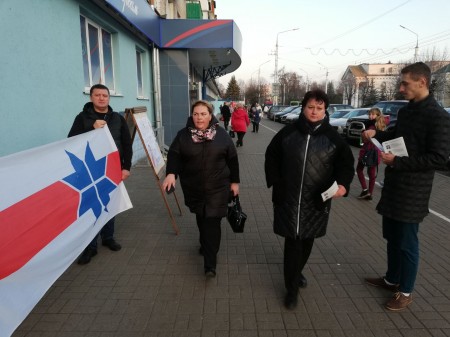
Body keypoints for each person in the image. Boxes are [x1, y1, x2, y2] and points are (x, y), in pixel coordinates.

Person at [363, 62, 450, 311]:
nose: (401, 88)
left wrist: (399, 161)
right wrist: (375, 136)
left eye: (405, 83)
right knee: (391, 236)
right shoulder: (409, 111)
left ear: (422, 82)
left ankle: (406, 291)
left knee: (407, 243)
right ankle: (391, 279)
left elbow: (439, 158)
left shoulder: (439, 117)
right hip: (394, 184)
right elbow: (395, 136)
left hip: (414, 190)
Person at [265, 89, 355, 310]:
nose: (314, 112)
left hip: (316, 199)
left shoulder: (333, 138)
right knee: (293, 241)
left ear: (325, 111)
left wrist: (343, 185)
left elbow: (346, 165)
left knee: (307, 240)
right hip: (289, 197)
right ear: (303, 108)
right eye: (310, 107)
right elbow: (271, 156)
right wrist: (277, 182)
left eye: (319, 108)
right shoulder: (287, 133)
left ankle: (296, 273)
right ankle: (291, 289)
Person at [162, 100, 240, 277]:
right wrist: (171, 173)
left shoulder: (221, 135)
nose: (199, 118)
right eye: (196, 114)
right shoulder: (183, 136)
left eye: (203, 114)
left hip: (218, 188)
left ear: (210, 115)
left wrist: (235, 182)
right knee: (201, 216)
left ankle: (210, 264)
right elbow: (174, 155)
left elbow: (233, 159)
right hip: (194, 187)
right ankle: (204, 242)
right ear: (192, 115)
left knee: (212, 222)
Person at [68, 84, 133, 265]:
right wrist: (91, 127)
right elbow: (72, 141)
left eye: (105, 95)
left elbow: (127, 144)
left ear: (109, 98)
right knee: (91, 208)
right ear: (91, 98)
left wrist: (126, 167)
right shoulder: (82, 118)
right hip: (90, 172)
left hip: (111, 169)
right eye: (98, 95)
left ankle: (108, 237)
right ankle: (90, 247)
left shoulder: (117, 119)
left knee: (109, 203)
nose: (102, 98)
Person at [356, 108, 386, 200]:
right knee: (371, 173)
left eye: (373, 114)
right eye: (369, 114)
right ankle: (370, 193)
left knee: (359, 169)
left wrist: (363, 133)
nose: (370, 116)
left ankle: (365, 189)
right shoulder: (380, 125)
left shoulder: (371, 126)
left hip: (368, 151)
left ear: (377, 115)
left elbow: (365, 140)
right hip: (376, 152)